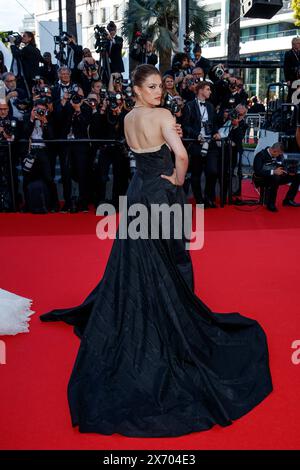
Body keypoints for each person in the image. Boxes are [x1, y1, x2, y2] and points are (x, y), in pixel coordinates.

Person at [40, 64, 272, 437]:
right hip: (163, 193)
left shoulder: (130, 117)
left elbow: (148, 145)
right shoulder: (161, 114)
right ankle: (173, 313)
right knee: (171, 255)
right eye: (150, 87)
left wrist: (169, 134)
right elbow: (181, 157)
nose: (158, 92)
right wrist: (178, 179)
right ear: (135, 88)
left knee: (140, 256)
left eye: (159, 87)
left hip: (137, 193)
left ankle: (146, 305)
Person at [253, 142, 300, 212]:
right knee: (275, 177)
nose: (279, 155)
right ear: (274, 151)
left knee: (297, 176)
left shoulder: (278, 155)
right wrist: (273, 172)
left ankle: (288, 200)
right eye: (279, 154)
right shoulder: (260, 155)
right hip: (261, 179)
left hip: (275, 176)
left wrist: (288, 172)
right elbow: (258, 171)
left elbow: (282, 165)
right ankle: (270, 204)